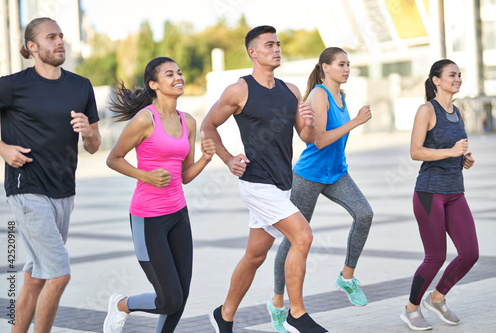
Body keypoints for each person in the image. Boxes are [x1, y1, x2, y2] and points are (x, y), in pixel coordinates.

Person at [202, 25, 328, 333]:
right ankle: (295, 314)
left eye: (279, 44)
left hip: (282, 185)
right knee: (303, 236)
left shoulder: (291, 91)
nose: (277, 49)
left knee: (255, 256)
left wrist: (309, 123)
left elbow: (308, 138)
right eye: (269, 44)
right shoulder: (239, 90)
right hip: (256, 183)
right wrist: (228, 158)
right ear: (253, 52)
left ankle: (225, 314)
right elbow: (208, 125)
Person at [0, 17, 101, 332]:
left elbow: (95, 144)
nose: (60, 42)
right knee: (59, 272)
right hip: (26, 187)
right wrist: (2, 148)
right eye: (51, 37)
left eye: (61, 36)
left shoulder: (80, 85)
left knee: (37, 273)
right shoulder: (12, 85)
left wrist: (88, 133)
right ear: (32, 47)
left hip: (64, 191)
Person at [103, 56, 215, 333]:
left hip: (178, 215)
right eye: (169, 74)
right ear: (153, 84)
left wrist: (205, 159)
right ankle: (122, 305)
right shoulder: (145, 120)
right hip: (148, 218)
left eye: (179, 72)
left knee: (180, 298)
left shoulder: (188, 121)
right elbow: (113, 158)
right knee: (168, 298)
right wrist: (146, 175)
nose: (178, 77)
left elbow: (184, 175)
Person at [267, 47, 374, 332]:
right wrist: (355, 122)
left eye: (349, 64)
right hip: (309, 175)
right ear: (325, 67)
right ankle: (278, 303)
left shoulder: (342, 95)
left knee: (364, 214)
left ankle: (347, 278)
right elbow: (319, 141)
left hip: (337, 173)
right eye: (341, 64)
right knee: (292, 241)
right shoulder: (318, 95)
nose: (347, 69)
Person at [400, 59, 479, 331]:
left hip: (455, 191)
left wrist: (463, 160)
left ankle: (437, 298)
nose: (457, 79)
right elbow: (415, 152)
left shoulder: (459, 112)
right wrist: (451, 152)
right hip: (429, 192)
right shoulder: (426, 110)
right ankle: (411, 308)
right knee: (435, 257)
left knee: (470, 253)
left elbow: (455, 151)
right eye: (451, 75)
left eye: (459, 75)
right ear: (436, 80)